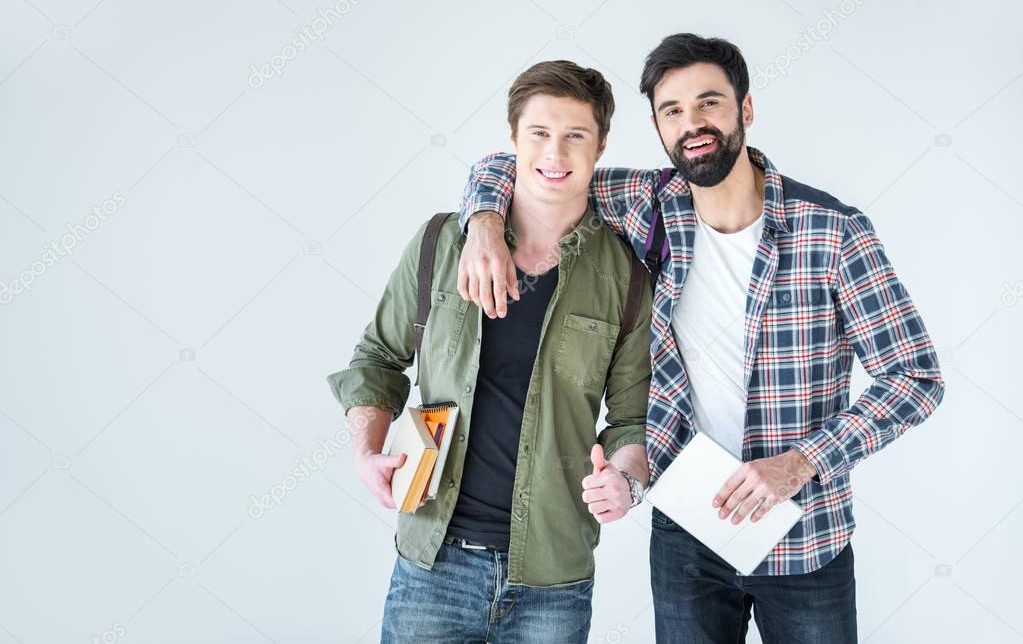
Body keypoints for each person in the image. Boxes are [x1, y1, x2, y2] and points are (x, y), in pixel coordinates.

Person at [457, 33, 945, 643]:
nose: (693, 124)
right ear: (659, 127)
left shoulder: (834, 232)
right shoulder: (647, 202)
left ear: (746, 109)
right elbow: (517, 164)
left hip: (805, 541)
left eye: (710, 103)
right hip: (687, 537)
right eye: (673, 111)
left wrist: (799, 464)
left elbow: (916, 379)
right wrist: (482, 224)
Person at [328, 59, 653, 643]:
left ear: (601, 147)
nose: (555, 153)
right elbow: (377, 359)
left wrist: (626, 482)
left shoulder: (626, 275)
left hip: (553, 576)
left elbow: (632, 420)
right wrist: (365, 451)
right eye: (540, 134)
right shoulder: (440, 243)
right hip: (433, 562)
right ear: (512, 142)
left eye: (575, 135)